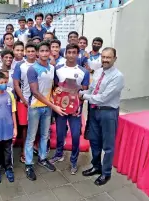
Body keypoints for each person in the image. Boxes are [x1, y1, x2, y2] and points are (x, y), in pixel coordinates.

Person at [80, 47, 124, 186]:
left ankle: (106, 173)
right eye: (103, 57)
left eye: (108, 57)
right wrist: (78, 90)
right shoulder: (98, 72)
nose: (105, 60)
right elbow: (92, 90)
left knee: (108, 145)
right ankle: (96, 166)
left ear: (115, 59)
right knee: (94, 141)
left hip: (108, 113)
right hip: (94, 111)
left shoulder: (118, 77)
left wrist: (83, 96)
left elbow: (103, 98)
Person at [25, 41, 66, 181]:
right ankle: (29, 164)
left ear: (50, 52)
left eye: (46, 51)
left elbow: (53, 85)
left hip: (48, 107)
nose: (43, 53)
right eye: (41, 51)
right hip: (35, 107)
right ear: (37, 53)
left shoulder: (52, 68)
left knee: (44, 135)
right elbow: (35, 92)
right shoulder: (32, 69)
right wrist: (53, 106)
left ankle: (42, 159)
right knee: (31, 137)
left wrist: (57, 90)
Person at [50, 44, 89, 175]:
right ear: (65, 53)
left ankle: (73, 160)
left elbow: (84, 91)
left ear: (78, 54)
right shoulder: (58, 69)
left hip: (75, 110)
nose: (71, 55)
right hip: (60, 108)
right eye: (69, 52)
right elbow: (54, 86)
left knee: (76, 136)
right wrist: (57, 90)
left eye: (74, 52)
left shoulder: (84, 72)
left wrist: (80, 106)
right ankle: (59, 154)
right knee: (60, 133)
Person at [13, 42, 37, 163]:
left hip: (38, 101)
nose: (31, 53)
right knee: (25, 127)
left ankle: (33, 146)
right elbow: (16, 84)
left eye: (33, 51)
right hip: (23, 101)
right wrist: (23, 99)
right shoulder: (20, 66)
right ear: (25, 52)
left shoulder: (40, 64)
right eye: (28, 51)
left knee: (36, 125)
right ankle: (24, 151)